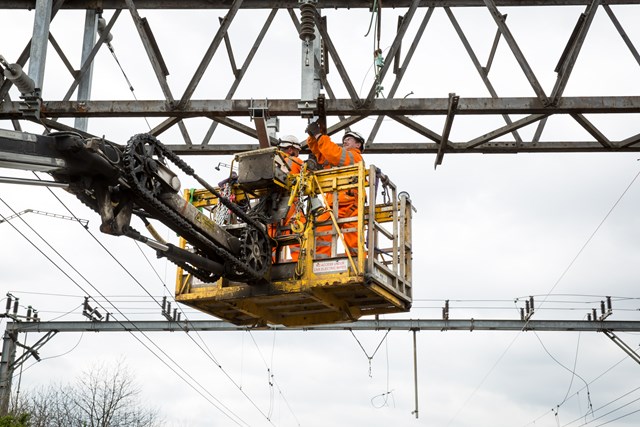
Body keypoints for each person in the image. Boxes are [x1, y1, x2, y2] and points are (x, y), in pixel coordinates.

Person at [305, 121, 365, 258]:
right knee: (321, 233)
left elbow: (334, 154)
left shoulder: (355, 157)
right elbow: (321, 154)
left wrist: (319, 135)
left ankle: (357, 264)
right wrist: (313, 138)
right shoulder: (338, 158)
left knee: (354, 240)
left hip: (351, 205)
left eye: (349, 139)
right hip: (332, 205)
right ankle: (319, 264)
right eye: (344, 139)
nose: (345, 141)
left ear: (358, 145)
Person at [273, 135, 304, 261]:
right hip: (289, 203)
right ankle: (298, 263)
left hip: (270, 205)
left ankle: (268, 265)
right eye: (297, 151)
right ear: (291, 149)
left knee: (270, 236)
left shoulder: (271, 161)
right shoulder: (296, 161)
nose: (297, 154)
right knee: (297, 230)